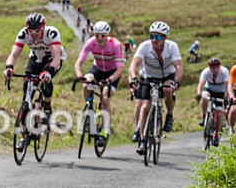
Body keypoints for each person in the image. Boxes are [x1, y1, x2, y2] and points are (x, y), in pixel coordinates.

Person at [128, 21, 183, 155]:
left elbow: (179, 67)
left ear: (165, 38)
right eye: (152, 36)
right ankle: (142, 139)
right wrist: (134, 77)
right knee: (145, 107)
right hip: (149, 76)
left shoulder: (172, 47)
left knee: (168, 89)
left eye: (157, 37)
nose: (154, 40)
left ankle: (169, 115)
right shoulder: (145, 46)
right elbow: (134, 64)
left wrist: (176, 81)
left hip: (167, 75)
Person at [4, 12, 66, 123]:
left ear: (43, 28)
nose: (33, 34)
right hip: (36, 58)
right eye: (30, 31)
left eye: (37, 31)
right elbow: (13, 55)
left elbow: (56, 57)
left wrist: (48, 71)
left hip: (51, 60)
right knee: (27, 87)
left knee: (45, 80)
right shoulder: (23, 34)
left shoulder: (51, 33)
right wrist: (9, 68)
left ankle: (47, 106)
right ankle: (24, 135)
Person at [73, 20, 125, 142]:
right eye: (97, 35)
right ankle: (89, 108)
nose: (100, 38)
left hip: (112, 72)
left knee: (105, 98)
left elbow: (120, 69)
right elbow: (78, 62)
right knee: (86, 84)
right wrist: (79, 75)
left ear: (108, 35)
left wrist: (109, 80)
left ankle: (105, 131)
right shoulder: (90, 43)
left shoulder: (115, 45)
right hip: (98, 68)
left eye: (103, 36)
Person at [195, 58, 233, 146]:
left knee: (220, 113)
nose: (215, 69)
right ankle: (204, 116)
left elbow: (227, 86)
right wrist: (198, 93)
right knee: (205, 97)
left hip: (221, 93)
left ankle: (216, 134)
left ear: (220, 66)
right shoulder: (205, 72)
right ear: (209, 67)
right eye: (213, 67)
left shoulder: (224, 72)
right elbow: (200, 84)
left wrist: (226, 98)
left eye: (217, 67)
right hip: (209, 90)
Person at [229, 62, 236, 136]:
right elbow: (230, 85)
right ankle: (231, 127)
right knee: (233, 110)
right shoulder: (234, 69)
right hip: (235, 90)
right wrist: (232, 96)